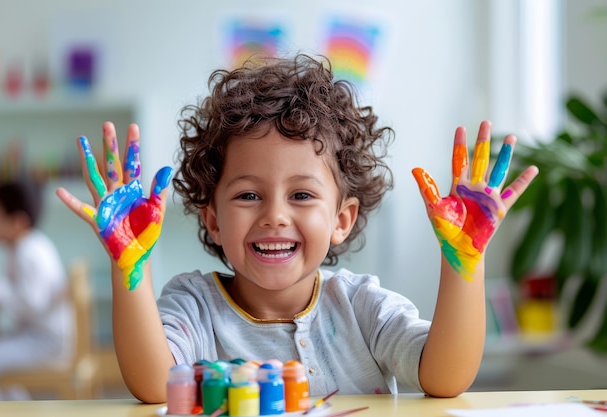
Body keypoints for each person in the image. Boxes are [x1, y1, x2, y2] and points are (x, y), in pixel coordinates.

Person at [56, 54, 538, 403]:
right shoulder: (195, 308)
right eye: (248, 195)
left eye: (302, 195)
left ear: (341, 220)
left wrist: (464, 265)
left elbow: (446, 377)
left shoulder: (363, 308)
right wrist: (128, 270)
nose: (275, 216)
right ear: (212, 219)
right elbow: (152, 382)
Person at [0, 180, 71, 400]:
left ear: (18, 222)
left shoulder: (28, 251)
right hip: (35, 335)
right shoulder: (22, 248)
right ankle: (16, 410)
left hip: (46, 341)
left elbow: (34, 305)